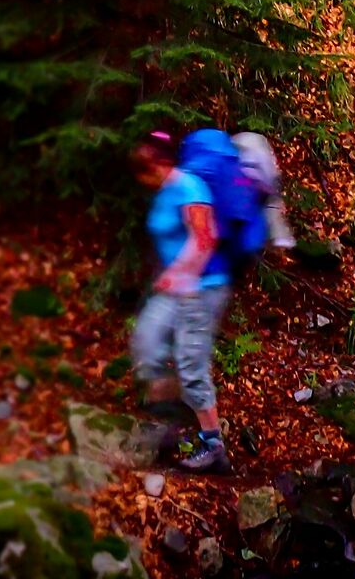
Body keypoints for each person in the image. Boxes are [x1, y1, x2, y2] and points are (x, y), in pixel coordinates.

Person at [129, 128, 232, 474]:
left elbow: (206, 237)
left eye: (144, 171)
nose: (141, 180)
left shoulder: (189, 186)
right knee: (146, 345)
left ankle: (213, 445)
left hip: (201, 288)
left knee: (191, 365)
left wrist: (181, 273)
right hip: (175, 287)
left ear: (158, 164)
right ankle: (168, 426)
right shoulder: (165, 191)